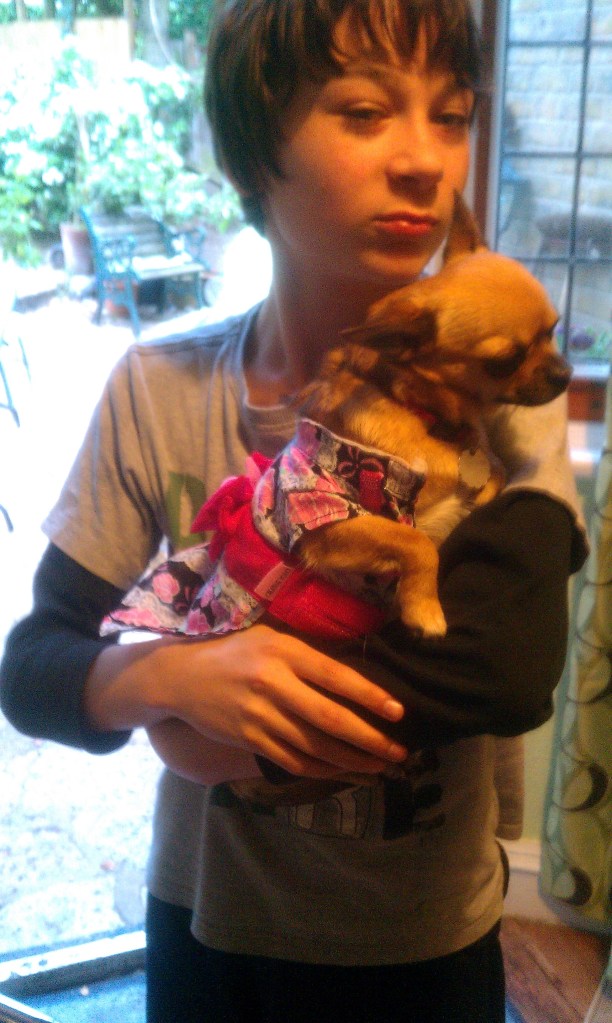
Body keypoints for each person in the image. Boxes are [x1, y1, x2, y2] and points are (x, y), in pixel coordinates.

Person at [0, 2, 587, 1020]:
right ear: (250, 150)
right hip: (208, 927)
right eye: (365, 112)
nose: (427, 161)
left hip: (424, 942)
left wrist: (206, 739)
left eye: (452, 116)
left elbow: (504, 669)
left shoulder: (496, 387)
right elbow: (33, 667)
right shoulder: (160, 388)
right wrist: (168, 677)